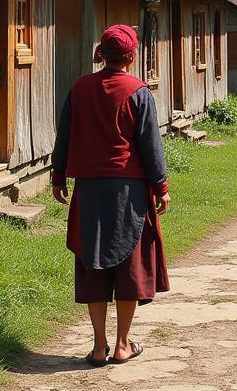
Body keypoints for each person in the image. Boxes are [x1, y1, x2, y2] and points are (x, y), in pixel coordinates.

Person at [52, 24, 170, 367]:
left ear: (102, 53)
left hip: (89, 190)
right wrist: (161, 186)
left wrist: (58, 176)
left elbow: (65, 137)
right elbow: (151, 147)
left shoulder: (80, 89)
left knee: (94, 262)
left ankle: (99, 346)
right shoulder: (138, 91)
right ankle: (122, 344)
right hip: (128, 190)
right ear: (131, 57)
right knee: (130, 265)